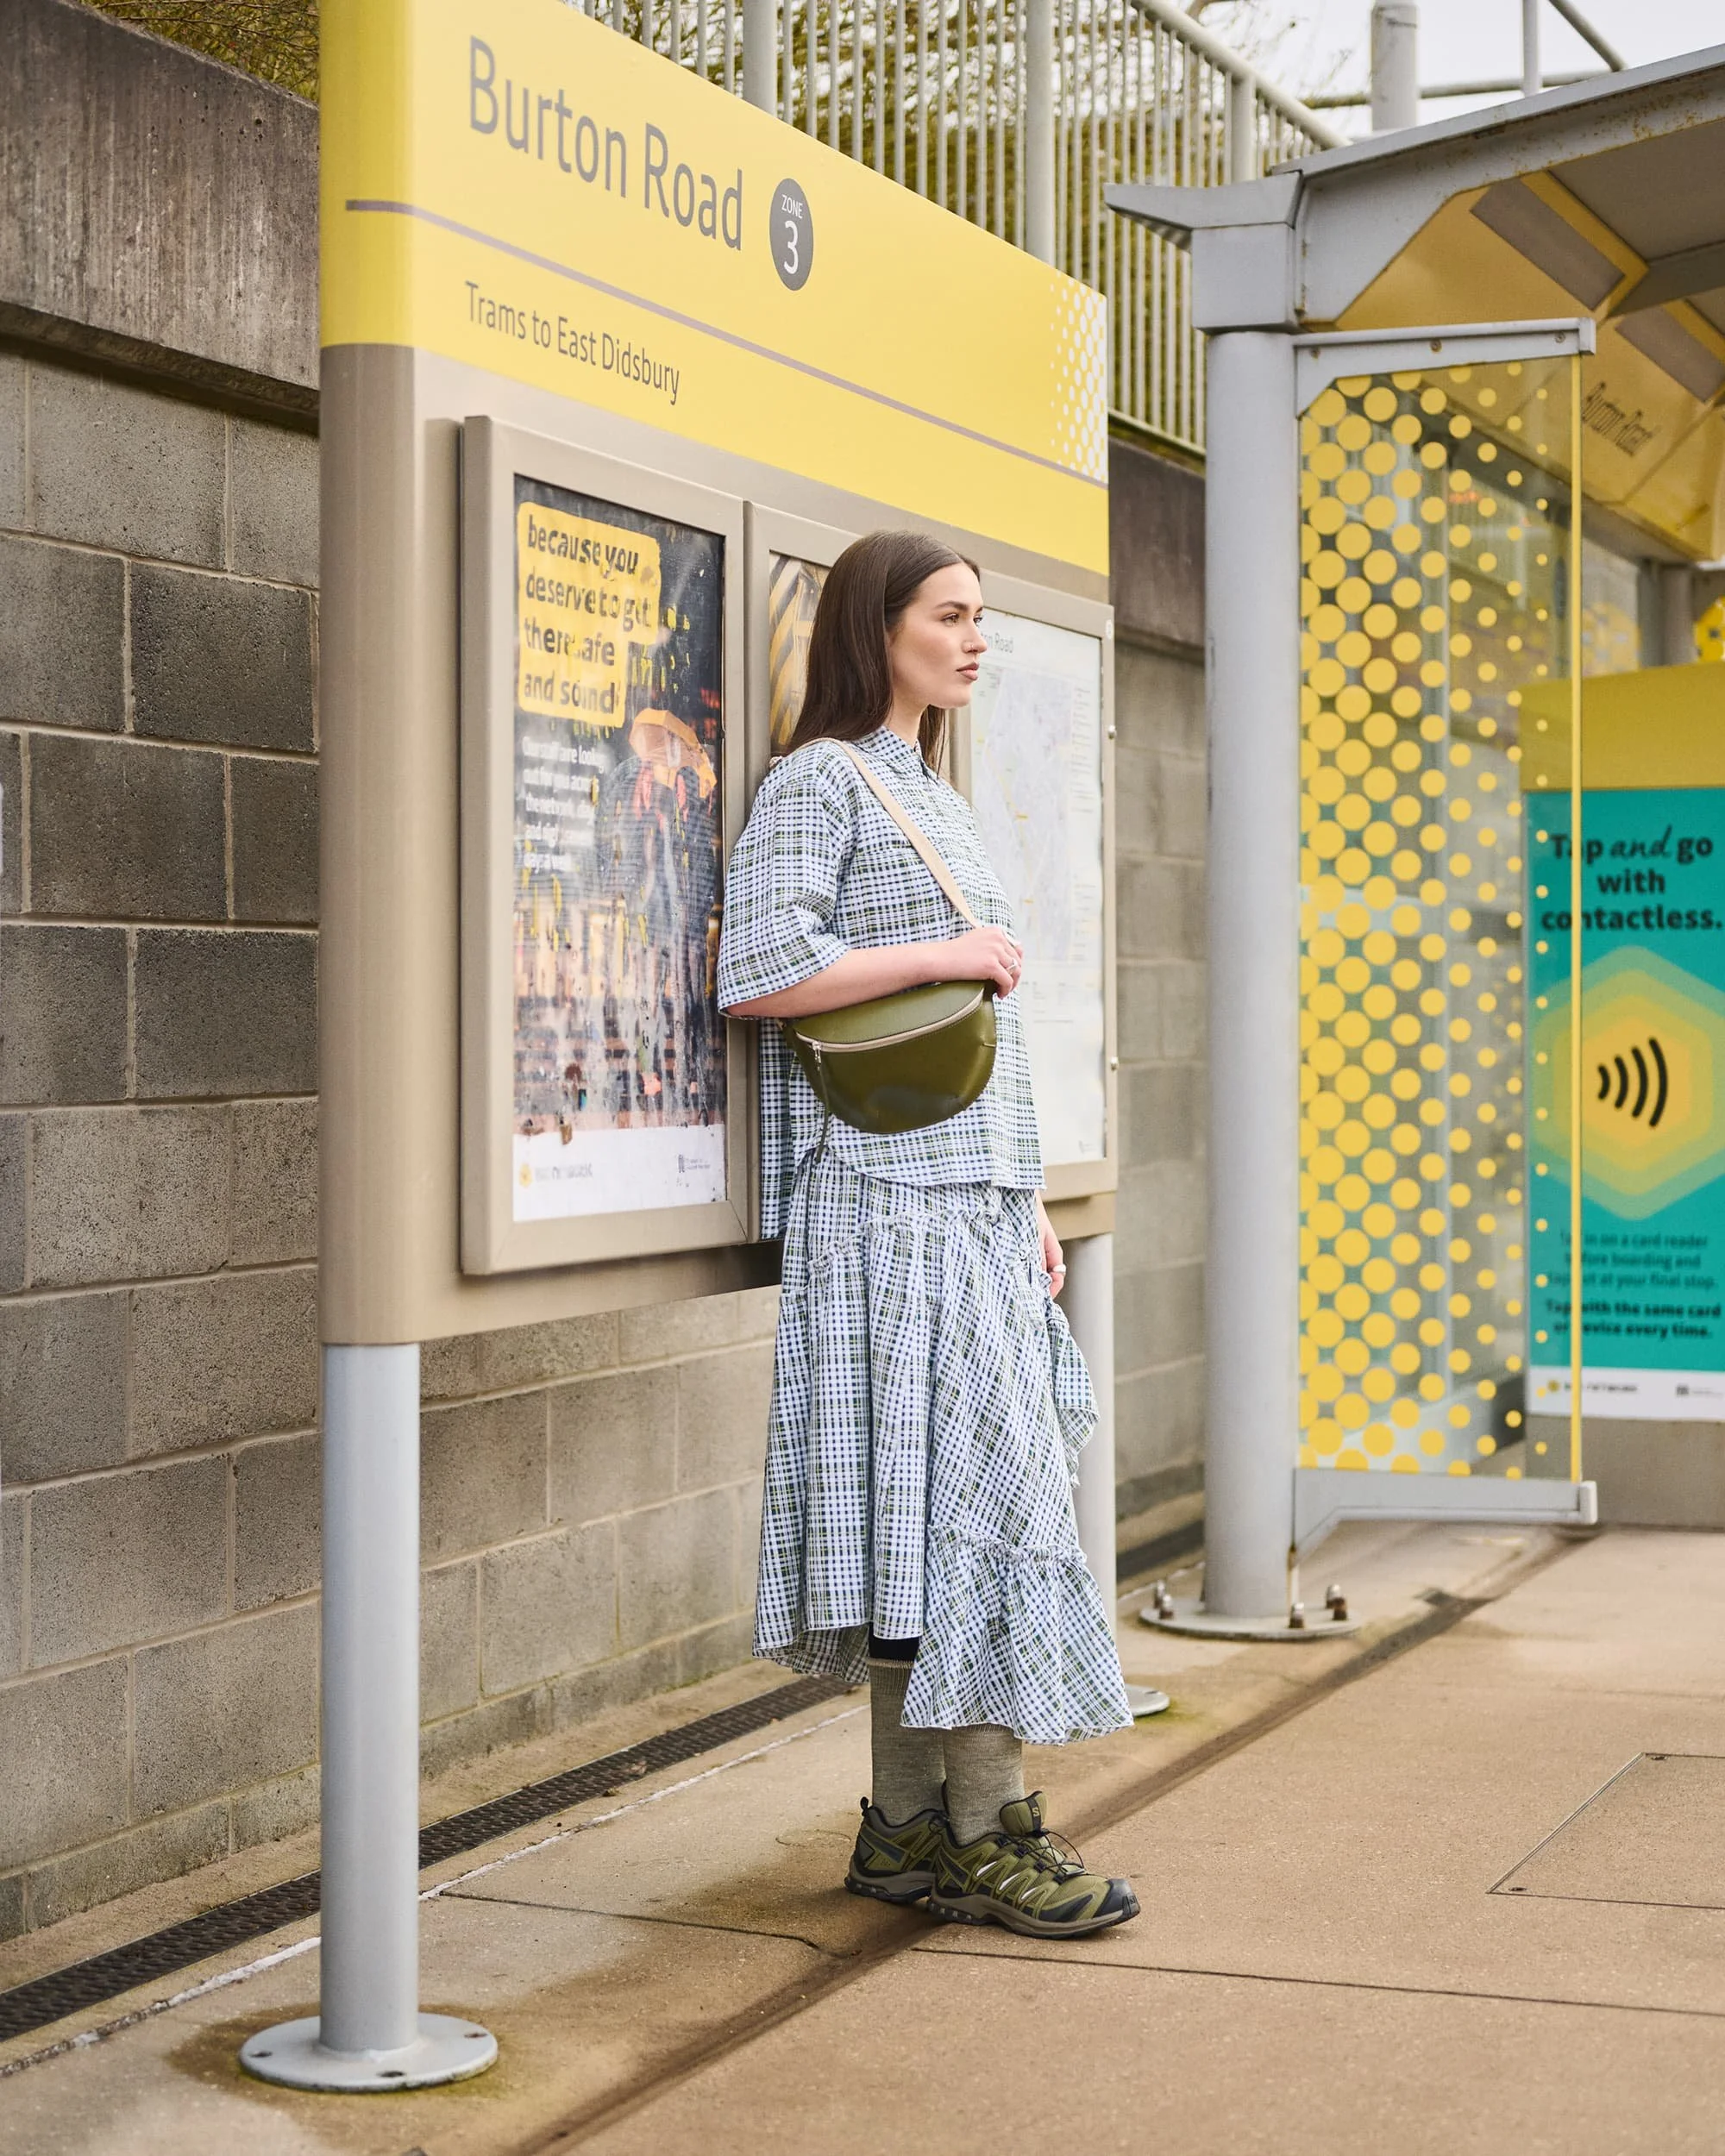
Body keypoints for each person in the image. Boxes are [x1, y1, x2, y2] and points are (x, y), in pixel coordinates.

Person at [718, 530, 1138, 1939]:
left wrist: (1022, 1202)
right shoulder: (821, 781)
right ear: (875, 627)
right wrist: (946, 953)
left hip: (966, 1211)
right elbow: (764, 967)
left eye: (980, 618)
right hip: (883, 1213)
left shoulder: (931, 792)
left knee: (938, 1523)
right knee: (970, 1515)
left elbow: (982, 1048)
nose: (974, 640)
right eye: (949, 616)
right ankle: (990, 1829)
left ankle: (907, 1831)